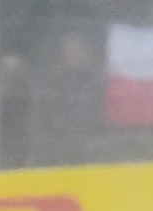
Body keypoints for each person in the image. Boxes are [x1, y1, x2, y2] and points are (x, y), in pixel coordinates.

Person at [27, 31, 106, 167]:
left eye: (78, 50)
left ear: (88, 52)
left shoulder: (102, 85)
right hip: (58, 153)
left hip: (93, 153)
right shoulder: (51, 85)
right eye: (69, 50)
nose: (73, 54)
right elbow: (43, 124)